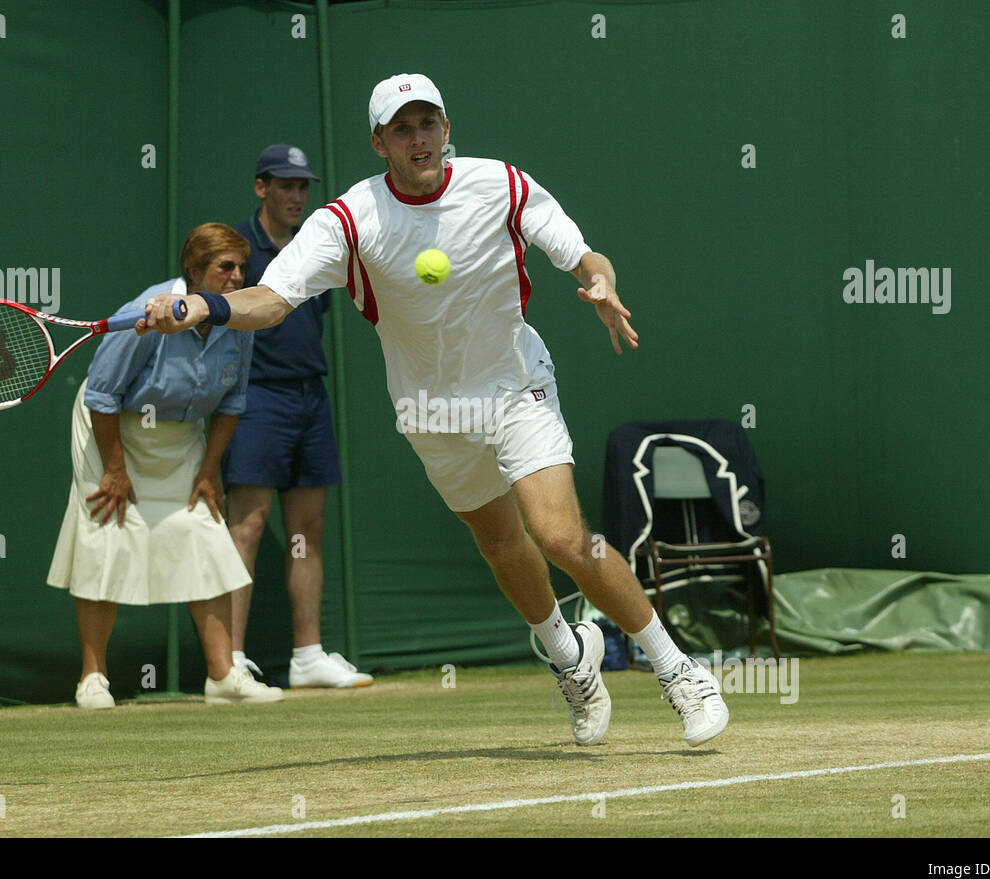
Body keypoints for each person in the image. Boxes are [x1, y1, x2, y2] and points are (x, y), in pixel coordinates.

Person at [139, 75, 728, 747]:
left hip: (516, 387)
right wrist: (200, 306)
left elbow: (582, 253)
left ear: (446, 129)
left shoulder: (502, 185)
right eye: (402, 128)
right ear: (379, 142)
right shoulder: (349, 219)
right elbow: (271, 300)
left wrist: (600, 281)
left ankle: (679, 670)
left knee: (561, 535)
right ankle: (572, 660)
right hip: (430, 411)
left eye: (428, 124)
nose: (417, 138)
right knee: (500, 544)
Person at [48, 222, 285, 708]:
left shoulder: (238, 317)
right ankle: (92, 678)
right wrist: (115, 470)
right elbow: (101, 395)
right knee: (105, 536)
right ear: (194, 271)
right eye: (226, 267)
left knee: (205, 534)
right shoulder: (145, 311)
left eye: (242, 268)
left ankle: (223, 676)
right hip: (112, 426)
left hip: (182, 435)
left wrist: (208, 471)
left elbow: (233, 402)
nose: (238, 278)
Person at [221, 144, 371, 689]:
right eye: (285, 186)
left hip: (311, 398)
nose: (296, 196)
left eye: (303, 187)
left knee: (307, 529)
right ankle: (230, 662)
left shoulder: (316, 248)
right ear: (262, 188)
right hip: (257, 398)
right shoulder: (238, 251)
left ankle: (307, 656)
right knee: (249, 526)